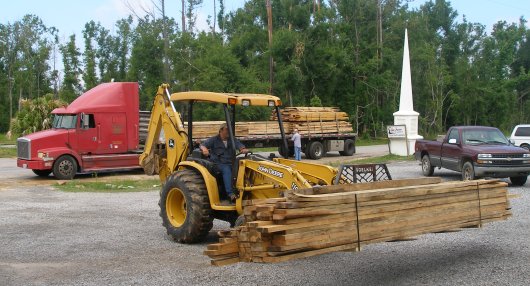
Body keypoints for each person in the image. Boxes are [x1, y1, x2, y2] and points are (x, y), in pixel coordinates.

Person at [200, 123, 249, 203]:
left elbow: (239, 145)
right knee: (226, 169)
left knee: (242, 167)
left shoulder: (232, 139)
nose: (229, 131)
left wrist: (242, 149)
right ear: (221, 130)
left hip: (230, 162)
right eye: (227, 129)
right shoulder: (214, 140)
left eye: (229, 130)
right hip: (217, 164)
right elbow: (202, 145)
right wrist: (204, 149)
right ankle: (230, 194)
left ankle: (244, 191)